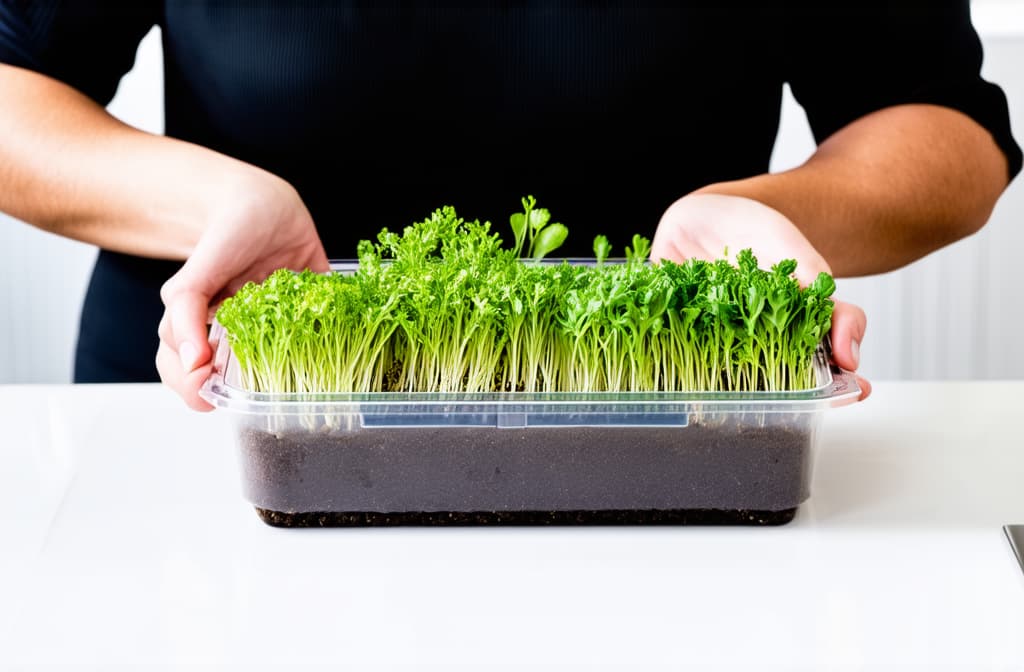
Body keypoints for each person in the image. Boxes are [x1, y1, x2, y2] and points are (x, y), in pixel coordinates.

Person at [0, 2, 1019, 410]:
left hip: (661, 421)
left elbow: (941, 124)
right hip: (214, 409)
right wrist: (211, 197)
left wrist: (753, 214)